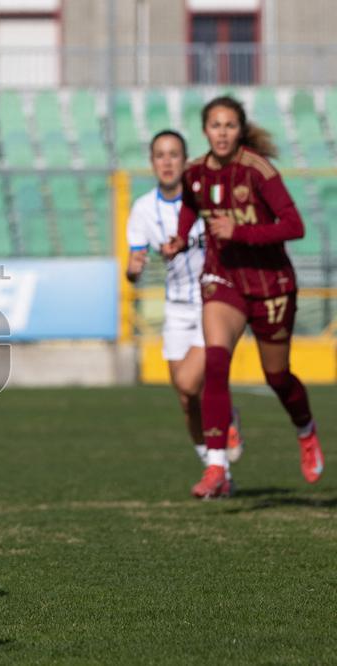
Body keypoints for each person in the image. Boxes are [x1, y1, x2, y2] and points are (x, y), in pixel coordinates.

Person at [163, 95, 324, 499]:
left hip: (271, 285)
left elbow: (295, 225)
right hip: (223, 279)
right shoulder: (195, 172)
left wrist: (242, 233)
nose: (222, 132)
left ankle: (305, 430)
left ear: (240, 130)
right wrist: (180, 240)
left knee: (277, 376)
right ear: (205, 130)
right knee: (216, 362)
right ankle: (216, 465)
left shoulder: (259, 171)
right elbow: (188, 206)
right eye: (215, 125)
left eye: (229, 126)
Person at [125, 130, 243, 486]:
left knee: (192, 380)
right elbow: (133, 265)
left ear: (185, 160)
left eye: (174, 154)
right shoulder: (143, 209)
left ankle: (227, 422)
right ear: (152, 162)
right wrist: (134, 270)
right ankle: (216, 468)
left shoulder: (205, 199)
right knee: (186, 396)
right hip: (176, 307)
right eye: (160, 155)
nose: (167, 161)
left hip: (213, 300)